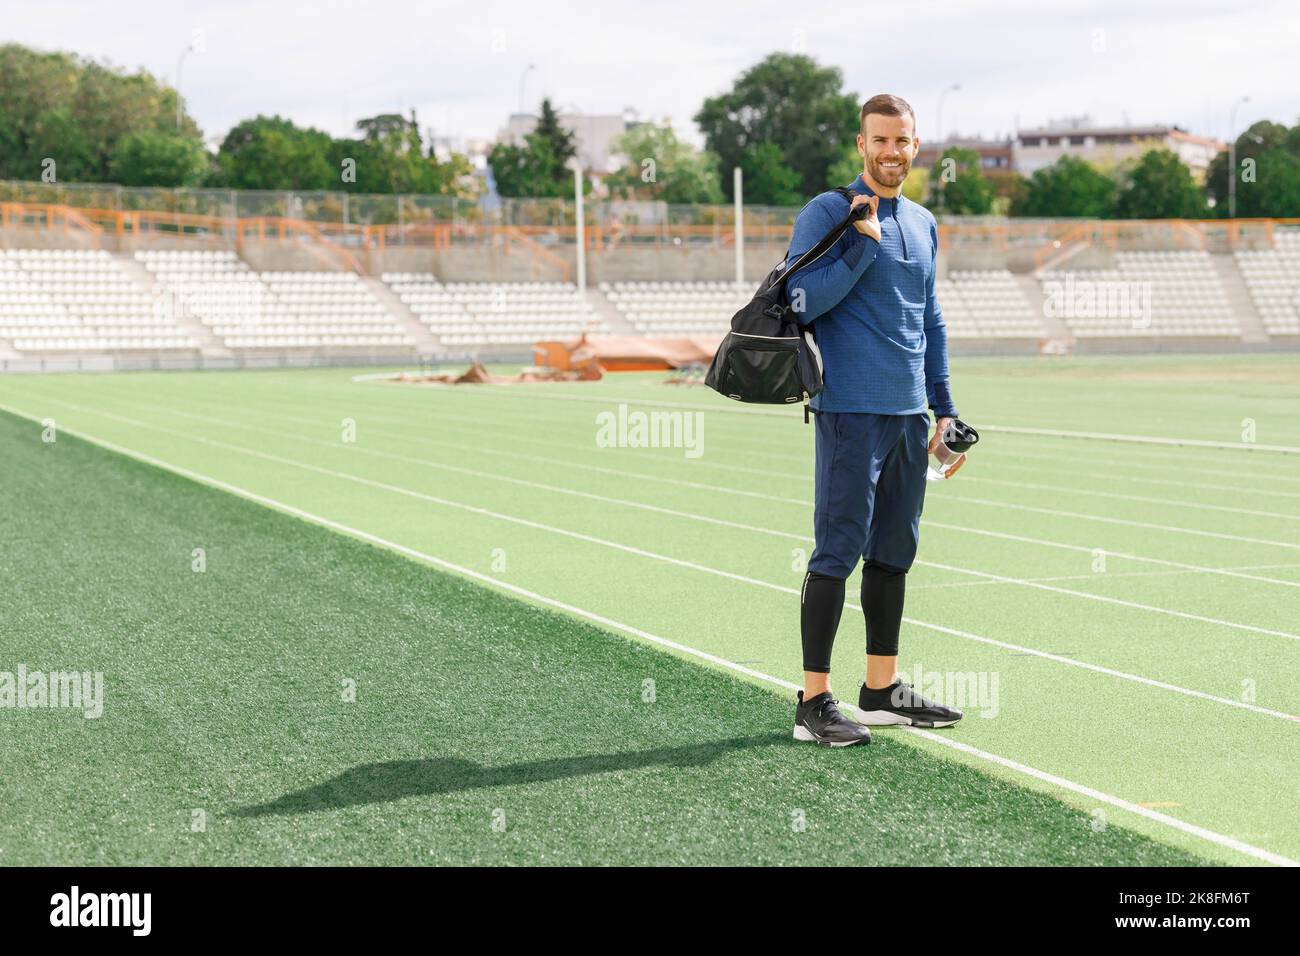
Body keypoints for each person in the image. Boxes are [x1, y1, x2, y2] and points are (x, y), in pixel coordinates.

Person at [785, 93, 964, 747]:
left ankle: (881, 690)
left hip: (907, 417)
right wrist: (860, 248)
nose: (892, 151)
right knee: (838, 552)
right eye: (879, 140)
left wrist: (944, 411)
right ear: (861, 144)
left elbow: (931, 322)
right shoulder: (830, 212)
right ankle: (813, 703)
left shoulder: (922, 221)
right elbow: (798, 300)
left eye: (903, 141)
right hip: (848, 413)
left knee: (893, 554)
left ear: (916, 147)